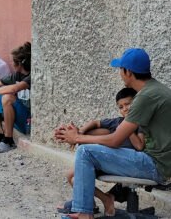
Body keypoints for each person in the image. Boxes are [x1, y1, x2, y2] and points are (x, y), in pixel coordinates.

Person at [54, 48, 171, 219]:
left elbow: (116, 139)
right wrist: (76, 133)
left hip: (156, 165)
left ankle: (83, 213)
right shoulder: (155, 90)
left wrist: (77, 138)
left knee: (85, 152)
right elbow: (106, 130)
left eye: (120, 69)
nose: (120, 74)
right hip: (160, 162)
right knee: (88, 150)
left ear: (128, 72)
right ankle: (87, 206)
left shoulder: (145, 97)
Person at [57, 87, 145, 216]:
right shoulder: (117, 121)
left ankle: (103, 201)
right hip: (107, 160)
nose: (125, 109)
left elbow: (139, 146)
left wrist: (128, 128)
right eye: (121, 107)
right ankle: (93, 204)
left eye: (128, 104)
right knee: (71, 175)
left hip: (124, 162)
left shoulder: (140, 124)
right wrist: (80, 132)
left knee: (77, 174)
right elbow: (96, 123)